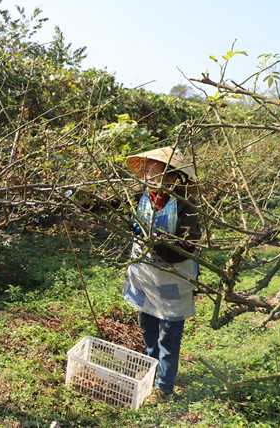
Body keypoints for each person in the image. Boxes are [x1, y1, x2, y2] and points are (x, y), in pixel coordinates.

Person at [122, 146, 202, 404]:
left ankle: (164, 387)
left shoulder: (186, 206)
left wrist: (156, 243)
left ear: (173, 177)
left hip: (172, 277)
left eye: (156, 171)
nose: (150, 176)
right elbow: (116, 210)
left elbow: (186, 247)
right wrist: (89, 203)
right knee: (147, 325)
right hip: (145, 276)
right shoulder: (139, 196)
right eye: (148, 170)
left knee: (169, 333)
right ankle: (151, 369)